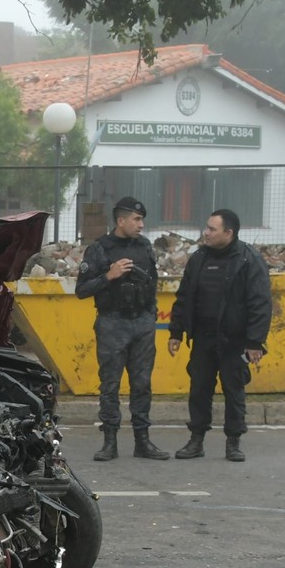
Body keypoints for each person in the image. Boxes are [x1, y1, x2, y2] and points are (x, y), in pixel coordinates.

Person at [166, 209, 272, 462]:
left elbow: (260, 303)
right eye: (207, 227)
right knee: (199, 389)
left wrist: (255, 342)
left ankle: (233, 442)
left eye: (212, 229)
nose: (206, 232)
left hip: (234, 342)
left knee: (234, 391)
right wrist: (176, 332)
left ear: (229, 232)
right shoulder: (199, 258)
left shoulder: (248, 259)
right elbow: (184, 297)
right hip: (203, 338)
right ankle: (196, 440)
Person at [75, 196, 168, 461]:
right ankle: (109, 442)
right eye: (137, 219)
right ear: (121, 220)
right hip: (112, 323)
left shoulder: (145, 246)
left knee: (142, 384)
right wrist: (108, 276)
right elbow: (81, 290)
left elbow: (152, 284)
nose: (141, 224)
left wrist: (149, 317)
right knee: (110, 385)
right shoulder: (99, 249)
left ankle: (143, 441)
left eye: (142, 220)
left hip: (142, 323)